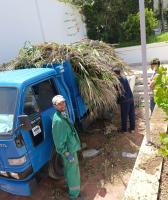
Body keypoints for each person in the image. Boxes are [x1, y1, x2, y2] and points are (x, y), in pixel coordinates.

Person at [52, 95, 85, 200]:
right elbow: (58, 141)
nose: (62, 105)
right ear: (55, 106)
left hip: (71, 148)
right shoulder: (58, 121)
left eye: (63, 102)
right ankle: (74, 196)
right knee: (73, 172)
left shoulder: (62, 114)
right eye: (59, 104)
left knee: (68, 170)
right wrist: (66, 153)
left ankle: (69, 187)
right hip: (69, 151)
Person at [113, 68, 135, 133]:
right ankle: (132, 129)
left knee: (124, 115)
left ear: (115, 74)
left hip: (125, 101)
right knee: (131, 114)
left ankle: (124, 130)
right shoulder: (124, 78)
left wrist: (117, 101)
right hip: (131, 98)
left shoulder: (117, 81)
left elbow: (117, 92)